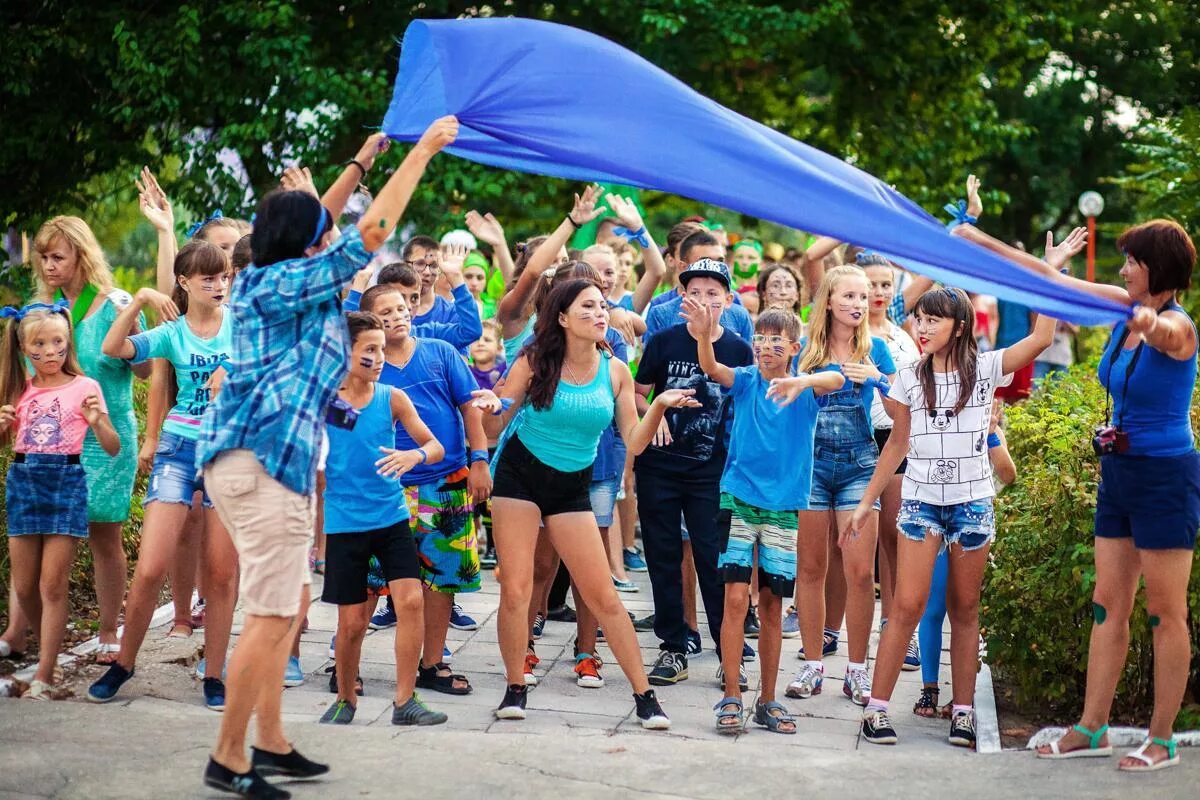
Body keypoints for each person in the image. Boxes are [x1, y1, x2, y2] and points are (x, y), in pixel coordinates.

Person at [194, 117, 457, 799]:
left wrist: (361, 162)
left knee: (290, 602)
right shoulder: (278, 284)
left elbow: (326, 223)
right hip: (258, 465)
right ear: (306, 245)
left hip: (263, 462)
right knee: (275, 613)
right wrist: (422, 152)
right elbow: (366, 236)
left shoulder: (288, 287)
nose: (334, 238)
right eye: (322, 234)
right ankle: (229, 757)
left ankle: (273, 741)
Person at [956, 217, 1200, 771]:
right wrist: (982, 243)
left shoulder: (1178, 325)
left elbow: (1171, 339)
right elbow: (1051, 281)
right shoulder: (1120, 306)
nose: (1123, 269)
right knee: (1107, 605)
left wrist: (1150, 324)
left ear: (1156, 268)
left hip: (1165, 478)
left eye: (1132, 260)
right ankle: (1093, 728)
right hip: (1119, 473)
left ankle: (1160, 741)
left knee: (1164, 612)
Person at [847, 285, 1055, 748]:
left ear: (959, 327)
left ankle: (963, 713)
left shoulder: (986, 369)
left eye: (932, 321)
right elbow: (897, 443)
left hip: (972, 504)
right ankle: (876, 711)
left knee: (965, 608)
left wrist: (1048, 275)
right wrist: (866, 502)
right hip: (920, 502)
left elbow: (1042, 338)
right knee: (906, 604)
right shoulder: (906, 376)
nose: (921, 328)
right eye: (918, 319)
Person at [483, 277, 696, 727]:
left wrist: (659, 405)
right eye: (587, 308)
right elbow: (493, 427)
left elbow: (634, 443)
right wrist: (490, 406)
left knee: (604, 596)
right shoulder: (535, 359)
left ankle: (645, 697)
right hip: (519, 477)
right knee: (517, 589)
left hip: (571, 487)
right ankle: (514, 687)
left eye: (602, 306)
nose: (601, 314)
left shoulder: (615, 370)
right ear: (562, 318)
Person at [86, 241, 239, 711]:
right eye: (207, 278)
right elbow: (114, 348)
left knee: (219, 572)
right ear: (186, 282)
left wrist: (232, 371)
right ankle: (124, 664)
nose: (218, 285)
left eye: (223, 277)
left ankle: (214, 673)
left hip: (229, 452)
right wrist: (141, 300)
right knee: (151, 567)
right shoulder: (172, 332)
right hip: (178, 448)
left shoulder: (242, 324)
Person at [679, 302, 842, 733]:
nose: (765, 348)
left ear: (793, 346)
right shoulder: (747, 381)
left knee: (772, 605)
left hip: (784, 508)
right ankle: (732, 694)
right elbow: (714, 367)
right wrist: (703, 334)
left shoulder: (805, 387)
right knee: (735, 599)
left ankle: (768, 701)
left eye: (775, 342)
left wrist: (802, 380)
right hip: (738, 498)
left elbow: (837, 377)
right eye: (759, 340)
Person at [357, 280, 491, 695]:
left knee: (443, 577)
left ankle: (431, 664)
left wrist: (480, 460)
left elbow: (470, 409)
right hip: (383, 488)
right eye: (385, 313)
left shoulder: (441, 353)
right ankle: (347, 664)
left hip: (446, 483)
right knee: (367, 580)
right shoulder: (364, 367)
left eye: (401, 308)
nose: (396, 317)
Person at [319, 312, 449, 726]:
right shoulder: (325, 400)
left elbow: (435, 446)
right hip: (344, 524)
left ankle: (405, 701)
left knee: (410, 601)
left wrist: (415, 454)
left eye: (381, 349)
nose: (379, 357)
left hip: (391, 516)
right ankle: (344, 699)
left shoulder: (392, 397)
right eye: (369, 349)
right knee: (353, 622)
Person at [29, 216, 149, 663]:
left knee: (104, 533)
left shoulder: (115, 303)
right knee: (42, 533)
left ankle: (108, 629)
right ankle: (27, 632)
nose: (48, 265)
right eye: (43, 257)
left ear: (82, 255)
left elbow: (147, 370)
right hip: (55, 436)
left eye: (57, 256)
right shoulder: (41, 309)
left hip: (106, 434)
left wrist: (133, 331)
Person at [634, 258, 755, 687]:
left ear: (727, 300)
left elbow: (746, 404)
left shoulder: (739, 349)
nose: (703, 300)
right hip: (660, 467)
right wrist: (656, 413)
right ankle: (673, 646)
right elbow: (637, 390)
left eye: (712, 293)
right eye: (695, 292)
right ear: (683, 298)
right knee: (663, 557)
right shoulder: (664, 341)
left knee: (713, 558)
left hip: (712, 472)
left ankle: (729, 651)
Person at [786, 265, 896, 706]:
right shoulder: (806, 353)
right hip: (812, 466)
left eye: (863, 296)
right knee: (811, 570)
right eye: (848, 296)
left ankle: (857, 671)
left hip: (859, 465)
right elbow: (788, 406)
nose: (857, 304)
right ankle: (812, 665)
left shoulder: (878, 349)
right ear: (828, 300)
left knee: (859, 572)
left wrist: (878, 379)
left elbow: (899, 407)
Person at [0, 302, 119, 698]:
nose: (50, 351)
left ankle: (46, 674)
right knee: (24, 585)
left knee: (53, 585)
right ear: (23, 347)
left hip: (66, 481)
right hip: (23, 479)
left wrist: (98, 421)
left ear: (68, 342)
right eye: (40, 344)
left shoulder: (85, 388)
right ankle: (47, 651)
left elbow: (113, 447)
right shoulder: (18, 388)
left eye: (58, 343)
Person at [915, 398, 1016, 719]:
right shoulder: (937, 415)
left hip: (972, 530)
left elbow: (1008, 473)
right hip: (937, 524)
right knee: (932, 609)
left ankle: (963, 697)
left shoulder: (989, 424)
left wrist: (989, 433)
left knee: (966, 613)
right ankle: (929, 688)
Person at [861, 254, 923, 673]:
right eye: (871, 287)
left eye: (886, 285)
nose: (879, 294)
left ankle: (899, 627)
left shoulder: (903, 335)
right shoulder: (846, 334)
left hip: (898, 441)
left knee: (893, 535)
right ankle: (831, 629)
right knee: (848, 540)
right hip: (854, 439)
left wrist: (961, 228)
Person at [644, 229, 755, 344]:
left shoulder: (740, 315)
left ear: (729, 300)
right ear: (683, 266)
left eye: (720, 261)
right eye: (705, 262)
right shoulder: (661, 314)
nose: (714, 267)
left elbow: (750, 360)